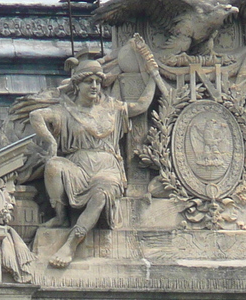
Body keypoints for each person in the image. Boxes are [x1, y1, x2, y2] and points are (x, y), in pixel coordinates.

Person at [28, 42, 159, 268]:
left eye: (98, 82)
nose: (95, 86)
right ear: (77, 85)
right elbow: (36, 115)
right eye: (90, 81)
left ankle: (72, 242)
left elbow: (141, 106)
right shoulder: (65, 110)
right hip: (77, 167)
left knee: (101, 194)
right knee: (53, 166)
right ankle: (60, 216)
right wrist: (50, 140)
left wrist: (153, 78)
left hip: (107, 170)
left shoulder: (113, 108)